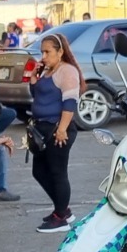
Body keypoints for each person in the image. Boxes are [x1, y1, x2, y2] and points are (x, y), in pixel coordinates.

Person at [30, 32, 84, 233]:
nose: (43, 56)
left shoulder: (67, 71)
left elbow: (70, 102)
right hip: (41, 129)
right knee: (39, 171)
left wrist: (62, 129)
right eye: (42, 52)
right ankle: (63, 209)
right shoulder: (48, 70)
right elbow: (37, 95)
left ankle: (60, 217)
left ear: (60, 52)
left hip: (57, 128)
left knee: (58, 172)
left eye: (47, 52)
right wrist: (35, 76)